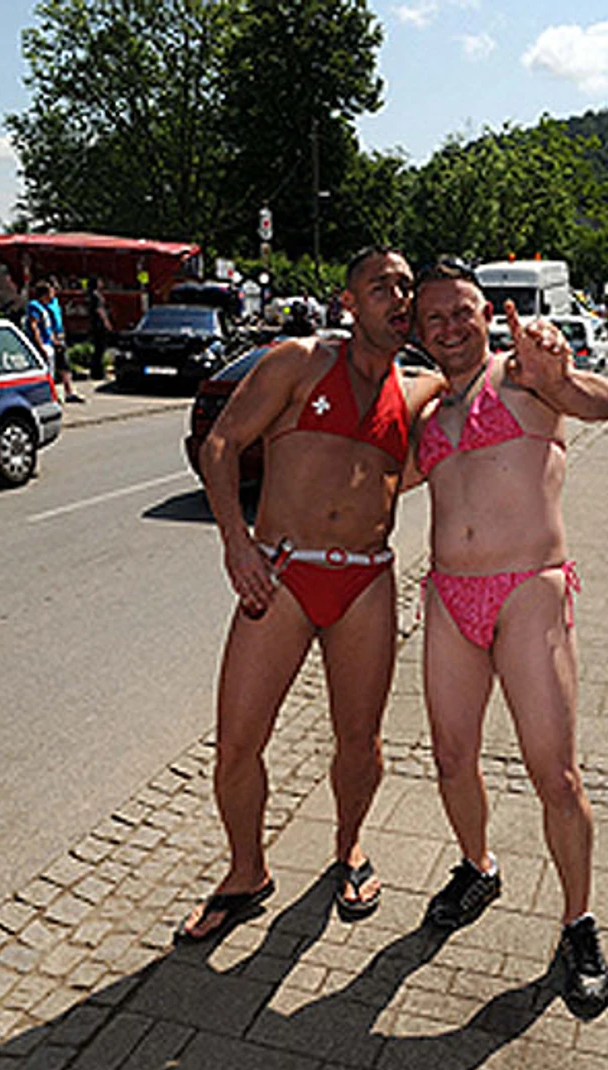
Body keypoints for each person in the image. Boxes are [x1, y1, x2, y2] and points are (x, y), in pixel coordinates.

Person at [175, 247, 440, 943]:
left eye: (406, 287)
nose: (400, 297)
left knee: (360, 740)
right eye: (381, 286)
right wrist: (236, 543)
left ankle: (349, 847)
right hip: (281, 575)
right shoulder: (297, 360)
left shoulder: (419, 390)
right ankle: (246, 872)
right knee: (238, 743)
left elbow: (471, 405)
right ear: (347, 302)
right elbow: (221, 444)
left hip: (365, 579)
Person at [408, 259, 608, 1021]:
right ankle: (477, 866)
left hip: (528, 589)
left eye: (460, 311)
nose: (449, 326)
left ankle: (578, 924)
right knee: (449, 756)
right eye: (432, 317)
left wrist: (559, 379)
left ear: (484, 312)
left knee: (554, 774)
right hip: (448, 596)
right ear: (418, 329)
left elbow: (607, 403)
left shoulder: (524, 375)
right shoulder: (427, 409)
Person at [47, 277, 85, 403]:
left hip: (60, 334)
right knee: (51, 367)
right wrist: (53, 337)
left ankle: (69, 391)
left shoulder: (55, 302)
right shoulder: (43, 305)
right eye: (53, 287)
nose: (56, 290)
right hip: (50, 337)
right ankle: (52, 394)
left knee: (64, 365)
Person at [25, 281, 55, 378]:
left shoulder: (44, 307)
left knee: (51, 372)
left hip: (48, 342)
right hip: (42, 344)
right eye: (50, 293)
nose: (52, 296)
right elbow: (34, 326)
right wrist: (40, 345)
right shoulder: (34, 306)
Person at [87, 276, 112, 379]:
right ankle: (98, 372)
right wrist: (106, 322)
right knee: (100, 349)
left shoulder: (92, 295)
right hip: (99, 326)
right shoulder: (96, 296)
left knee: (98, 349)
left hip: (95, 325)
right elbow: (99, 310)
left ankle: (97, 371)